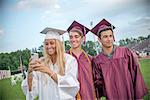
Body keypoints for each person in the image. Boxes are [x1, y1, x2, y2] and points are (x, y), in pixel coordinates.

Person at [91, 19, 148, 100]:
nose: (109, 39)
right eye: (105, 37)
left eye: (111, 36)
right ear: (99, 40)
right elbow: (98, 83)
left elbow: (135, 74)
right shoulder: (97, 61)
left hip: (129, 95)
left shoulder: (125, 53)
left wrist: (139, 97)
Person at [21, 27, 79, 100]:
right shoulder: (41, 62)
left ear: (58, 44)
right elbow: (31, 90)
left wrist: (48, 71)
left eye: (52, 43)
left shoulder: (69, 60)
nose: (49, 46)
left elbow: (72, 85)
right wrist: (30, 73)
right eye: (46, 44)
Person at [66, 21, 95, 100]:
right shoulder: (65, 58)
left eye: (76, 36)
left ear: (82, 38)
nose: (73, 39)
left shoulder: (90, 59)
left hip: (89, 96)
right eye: (71, 37)